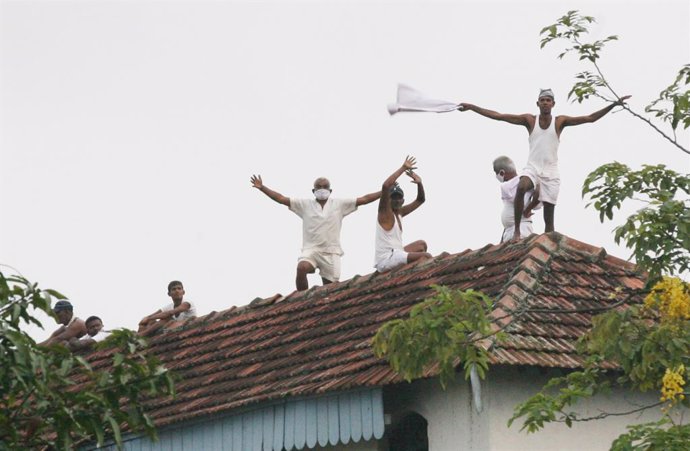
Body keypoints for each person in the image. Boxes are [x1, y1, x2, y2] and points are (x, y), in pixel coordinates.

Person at [459, 89, 631, 240]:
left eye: (548, 100)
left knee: (549, 223)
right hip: (532, 168)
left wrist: (614, 104)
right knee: (520, 188)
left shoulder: (559, 121)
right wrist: (473, 107)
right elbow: (499, 116)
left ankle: (548, 245)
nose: (545, 103)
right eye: (542, 100)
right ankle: (517, 231)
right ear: (538, 103)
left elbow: (589, 118)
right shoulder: (530, 120)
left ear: (553, 104)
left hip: (551, 172)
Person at [250, 174, 381, 291]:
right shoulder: (304, 205)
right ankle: (302, 300)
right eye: (318, 187)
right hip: (311, 250)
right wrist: (262, 187)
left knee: (330, 290)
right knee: (301, 268)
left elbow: (364, 199)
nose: (322, 189)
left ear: (330, 190)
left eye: (325, 186)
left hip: (331, 252)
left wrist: (384, 191)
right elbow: (281, 199)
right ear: (313, 191)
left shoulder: (339, 204)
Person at [374, 156, 431, 273]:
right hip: (386, 259)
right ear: (388, 200)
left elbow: (420, 200)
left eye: (399, 198)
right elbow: (385, 186)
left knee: (421, 245)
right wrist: (403, 168)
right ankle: (415, 277)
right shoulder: (385, 213)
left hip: (397, 253)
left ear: (402, 201)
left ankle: (407, 268)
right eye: (393, 198)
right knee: (426, 256)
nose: (396, 200)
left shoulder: (399, 212)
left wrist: (420, 183)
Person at [493, 155, 541, 243]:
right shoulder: (520, 184)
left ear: (502, 173)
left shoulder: (509, 186)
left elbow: (539, 192)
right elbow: (511, 212)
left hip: (521, 230)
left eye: (496, 173)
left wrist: (528, 209)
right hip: (509, 231)